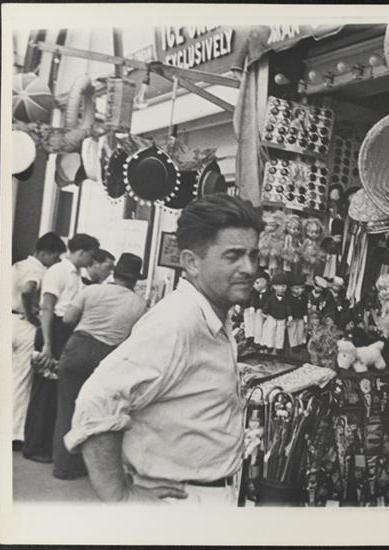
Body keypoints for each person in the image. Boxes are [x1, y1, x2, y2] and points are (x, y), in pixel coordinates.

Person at [65, 194, 263, 505]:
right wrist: (119, 496)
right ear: (191, 262)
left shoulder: (209, 318)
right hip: (181, 501)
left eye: (253, 255)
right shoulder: (177, 321)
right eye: (233, 256)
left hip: (202, 495)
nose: (249, 268)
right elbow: (98, 399)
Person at [52, 253, 147, 480]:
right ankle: (89, 467)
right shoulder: (140, 304)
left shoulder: (92, 291)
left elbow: (68, 319)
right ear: (135, 280)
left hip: (78, 348)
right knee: (98, 412)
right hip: (108, 357)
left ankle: (63, 467)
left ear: (115, 273)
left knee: (67, 408)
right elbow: (137, 338)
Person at [23, 233, 99, 463]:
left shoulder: (76, 276)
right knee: (43, 391)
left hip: (63, 331)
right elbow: (48, 307)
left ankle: (45, 444)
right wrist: (47, 343)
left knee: (54, 392)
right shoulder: (58, 271)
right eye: (91, 255)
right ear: (82, 252)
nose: (92, 260)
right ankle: (33, 446)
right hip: (53, 330)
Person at [11, 232, 67, 451]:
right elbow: (27, 291)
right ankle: (15, 432)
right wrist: (31, 315)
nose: (56, 261)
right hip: (23, 324)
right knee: (21, 379)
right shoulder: (38, 270)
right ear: (44, 253)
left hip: (7, 319)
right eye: (54, 256)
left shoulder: (17, 265)